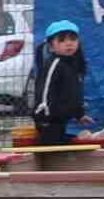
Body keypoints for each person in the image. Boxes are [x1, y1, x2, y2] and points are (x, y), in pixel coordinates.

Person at [32, 18, 92, 146]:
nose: (69, 43)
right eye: (62, 40)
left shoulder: (72, 66)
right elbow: (44, 90)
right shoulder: (54, 64)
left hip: (61, 120)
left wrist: (80, 115)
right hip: (48, 121)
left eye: (73, 39)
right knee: (54, 150)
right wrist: (44, 116)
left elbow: (73, 93)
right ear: (51, 47)